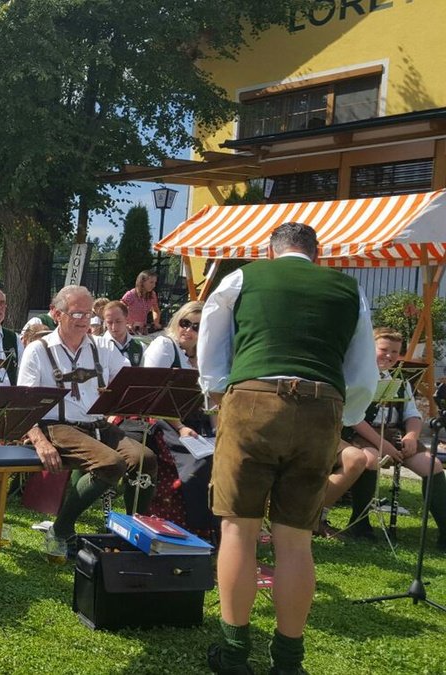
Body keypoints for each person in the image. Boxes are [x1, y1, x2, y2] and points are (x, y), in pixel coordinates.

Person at [199, 222, 378, 675]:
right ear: (317, 255)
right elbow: (362, 371)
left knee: (238, 530)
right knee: (296, 540)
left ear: (271, 252)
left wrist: (219, 395)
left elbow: (211, 345)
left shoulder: (242, 278)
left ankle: (234, 654)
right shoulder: (348, 289)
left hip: (253, 400)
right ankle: (288, 662)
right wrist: (346, 414)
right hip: (321, 406)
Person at [19, 285, 157, 559]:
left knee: (145, 459)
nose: (84, 320)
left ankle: (132, 533)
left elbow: (129, 383)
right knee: (111, 463)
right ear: (57, 314)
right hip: (57, 426)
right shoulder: (38, 350)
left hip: (98, 425)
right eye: (77, 313)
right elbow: (25, 405)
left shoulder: (103, 346)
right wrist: (39, 441)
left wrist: (126, 396)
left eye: (88, 314)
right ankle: (60, 529)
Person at [335, 327, 445, 547]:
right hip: (362, 434)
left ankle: (445, 531)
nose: (389, 355)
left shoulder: (401, 380)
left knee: (432, 465)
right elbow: (353, 418)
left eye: (395, 351)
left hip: (395, 434)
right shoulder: (357, 377)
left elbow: (412, 415)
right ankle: (359, 525)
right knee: (371, 459)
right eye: (383, 349)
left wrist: (411, 436)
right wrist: (382, 444)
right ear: (370, 349)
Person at [140, 301, 216, 540]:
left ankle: (221, 527)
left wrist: (218, 432)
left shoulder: (205, 356)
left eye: (196, 327)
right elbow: (153, 394)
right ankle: (197, 528)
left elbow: (212, 401)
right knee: (201, 462)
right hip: (164, 421)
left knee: (226, 456)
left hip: (197, 421)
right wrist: (181, 427)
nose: (188, 330)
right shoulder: (165, 346)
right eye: (185, 323)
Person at [94, 300, 144, 367]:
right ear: (105, 322)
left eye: (118, 321)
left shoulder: (140, 346)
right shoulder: (97, 346)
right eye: (109, 322)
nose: (114, 327)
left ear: (127, 319)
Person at [121, 269, 161, 334]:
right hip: (128, 331)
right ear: (142, 282)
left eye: (155, 282)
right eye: (151, 282)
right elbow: (119, 310)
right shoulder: (131, 294)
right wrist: (125, 324)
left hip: (142, 330)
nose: (154, 285)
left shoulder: (152, 295)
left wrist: (156, 322)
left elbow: (156, 310)